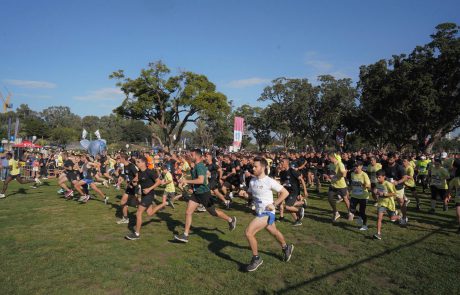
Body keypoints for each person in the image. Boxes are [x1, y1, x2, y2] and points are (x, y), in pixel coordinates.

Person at [241, 156, 294, 272]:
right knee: (273, 232)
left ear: (263, 168)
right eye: (253, 166)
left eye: (256, 166)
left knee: (249, 232)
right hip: (259, 212)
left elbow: (285, 192)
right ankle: (286, 247)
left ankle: (256, 258)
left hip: (267, 212)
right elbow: (250, 195)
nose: (253, 168)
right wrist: (245, 195)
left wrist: (274, 204)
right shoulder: (253, 181)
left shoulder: (269, 181)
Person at [174, 149, 237, 243]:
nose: (190, 156)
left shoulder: (200, 166)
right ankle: (185, 235)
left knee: (213, 212)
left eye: (192, 154)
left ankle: (230, 219)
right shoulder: (196, 166)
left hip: (204, 193)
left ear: (197, 156)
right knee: (188, 212)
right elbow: (195, 177)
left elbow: (200, 180)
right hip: (196, 193)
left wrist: (186, 181)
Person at [125, 156, 163, 240]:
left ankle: (136, 234)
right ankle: (163, 204)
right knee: (149, 213)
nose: (136, 163)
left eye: (138, 162)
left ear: (143, 163)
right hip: (143, 195)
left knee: (138, 213)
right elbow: (136, 183)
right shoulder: (139, 172)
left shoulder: (150, 172)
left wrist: (149, 189)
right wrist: (132, 182)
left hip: (149, 195)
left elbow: (159, 182)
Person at [278, 158, 307, 226]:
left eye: (283, 162)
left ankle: (300, 210)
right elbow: (283, 182)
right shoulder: (282, 173)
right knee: (289, 208)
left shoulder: (292, 171)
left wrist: (305, 190)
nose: (281, 163)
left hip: (294, 191)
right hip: (287, 191)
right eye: (281, 162)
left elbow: (302, 180)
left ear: (287, 163)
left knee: (287, 206)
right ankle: (297, 220)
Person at [373, 170, 400, 240]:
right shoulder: (377, 183)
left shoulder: (388, 184)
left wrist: (385, 194)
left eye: (379, 177)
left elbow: (394, 193)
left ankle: (399, 216)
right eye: (377, 177)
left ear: (384, 177)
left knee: (392, 218)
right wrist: (376, 192)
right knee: (379, 218)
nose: (378, 179)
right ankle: (378, 233)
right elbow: (377, 191)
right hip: (381, 203)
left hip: (389, 203)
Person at [324, 152, 351, 222]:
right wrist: (328, 177)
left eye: (330, 158)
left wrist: (335, 176)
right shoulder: (332, 165)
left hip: (341, 185)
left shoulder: (340, 164)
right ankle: (336, 212)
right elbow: (332, 174)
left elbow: (344, 174)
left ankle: (350, 213)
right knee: (330, 198)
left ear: (333, 158)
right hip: (333, 185)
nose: (329, 160)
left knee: (345, 199)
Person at [116, 154, 139, 224]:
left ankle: (126, 218)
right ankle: (126, 218)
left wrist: (131, 183)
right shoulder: (125, 166)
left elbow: (138, 176)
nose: (119, 160)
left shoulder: (131, 166)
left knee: (124, 202)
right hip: (130, 186)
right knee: (130, 202)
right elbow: (126, 176)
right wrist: (120, 182)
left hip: (133, 186)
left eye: (120, 158)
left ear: (123, 159)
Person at [349, 161, 371, 230]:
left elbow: (369, 186)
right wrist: (349, 189)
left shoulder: (364, 175)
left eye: (357, 166)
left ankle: (365, 225)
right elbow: (352, 183)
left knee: (362, 211)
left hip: (363, 196)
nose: (355, 168)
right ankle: (360, 217)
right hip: (354, 195)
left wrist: (362, 184)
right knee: (351, 209)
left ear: (361, 167)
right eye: (355, 166)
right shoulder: (352, 174)